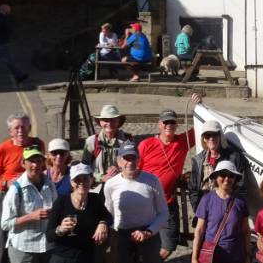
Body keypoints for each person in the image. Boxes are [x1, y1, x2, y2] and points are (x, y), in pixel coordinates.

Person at [137, 103, 196, 259]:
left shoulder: (181, 142)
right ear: (159, 124)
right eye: (166, 122)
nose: (169, 125)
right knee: (140, 240)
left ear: (176, 125)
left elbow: (199, 128)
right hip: (145, 202)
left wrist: (198, 105)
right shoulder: (146, 144)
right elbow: (134, 171)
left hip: (167, 202)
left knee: (169, 245)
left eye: (172, 122)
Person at [0, 113, 46, 263]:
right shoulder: (3, 148)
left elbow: (44, 168)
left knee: (33, 232)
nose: (21, 131)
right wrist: (5, 184)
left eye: (24, 127)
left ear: (29, 128)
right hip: (9, 195)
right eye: (16, 128)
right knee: (1, 236)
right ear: (10, 131)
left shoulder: (38, 144)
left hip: (33, 194)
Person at [103, 143, 168, 263]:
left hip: (148, 234)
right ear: (119, 161)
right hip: (122, 235)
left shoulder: (152, 180)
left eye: (133, 158)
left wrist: (149, 232)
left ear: (138, 160)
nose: (130, 162)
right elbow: (109, 212)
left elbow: (163, 212)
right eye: (126, 158)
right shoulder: (110, 184)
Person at [1, 147, 58, 263]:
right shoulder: (16, 189)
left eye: (38, 161)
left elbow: (57, 210)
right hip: (24, 249)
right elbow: (5, 224)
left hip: (47, 247)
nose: (35, 165)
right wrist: (31, 217)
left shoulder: (49, 185)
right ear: (23, 163)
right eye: (31, 161)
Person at [47, 163, 111, 263]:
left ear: (91, 180)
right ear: (71, 182)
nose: (81, 182)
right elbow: (49, 236)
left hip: (87, 256)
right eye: (77, 179)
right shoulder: (61, 201)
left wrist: (103, 223)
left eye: (85, 178)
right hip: (63, 257)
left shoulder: (95, 199)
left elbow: (108, 217)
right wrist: (61, 229)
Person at [190, 161, 250, 263]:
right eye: (223, 175)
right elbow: (199, 230)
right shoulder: (207, 199)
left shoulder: (241, 201)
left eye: (231, 176)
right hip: (212, 255)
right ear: (216, 177)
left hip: (235, 255)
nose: (227, 179)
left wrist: (247, 255)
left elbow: (246, 231)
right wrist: (194, 257)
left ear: (235, 179)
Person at [189, 119, 247, 212]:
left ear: (220, 136)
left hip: (228, 208)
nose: (211, 138)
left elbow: (241, 186)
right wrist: (198, 210)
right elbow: (193, 189)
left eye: (214, 135)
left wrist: (234, 210)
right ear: (204, 139)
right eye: (207, 135)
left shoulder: (234, 157)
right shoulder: (198, 160)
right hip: (205, 209)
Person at [81, 104, 134, 183]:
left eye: (113, 120)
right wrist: (101, 178)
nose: (109, 123)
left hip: (121, 183)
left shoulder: (128, 141)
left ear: (118, 122)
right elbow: (84, 168)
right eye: (105, 120)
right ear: (100, 122)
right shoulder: (91, 141)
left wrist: (119, 168)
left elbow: (134, 164)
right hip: (97, 186)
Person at [0, 4, 30, 87]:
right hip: (3, 42)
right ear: (4, 10)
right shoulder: (3, 18)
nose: (9, 11)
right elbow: (7, 29)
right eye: (8, 10)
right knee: (8, 61)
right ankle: (19, 75)